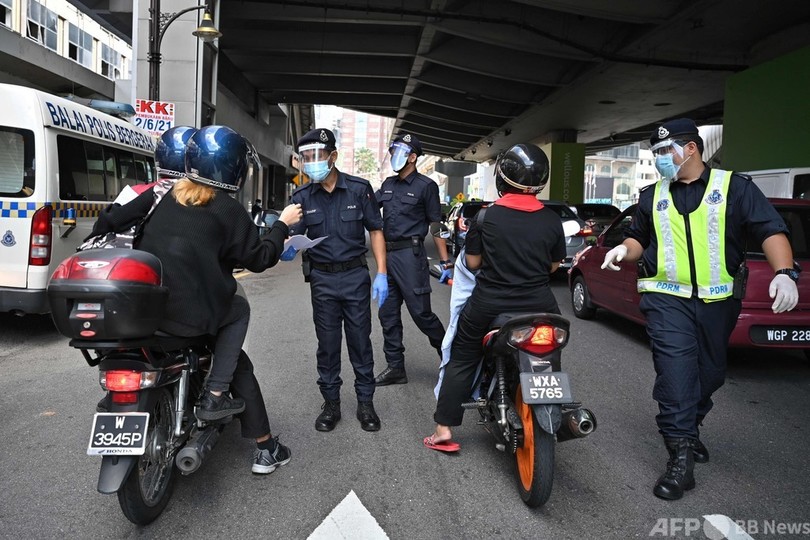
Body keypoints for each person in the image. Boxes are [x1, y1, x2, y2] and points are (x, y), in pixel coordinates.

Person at [601, 118, 799, 500]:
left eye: (664, 151)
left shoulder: (735, 188)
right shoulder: (651, 195)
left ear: (691, 148)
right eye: (656, 153)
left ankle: (689, 432)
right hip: (664, 300)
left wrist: (785, 272)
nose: (659, 159)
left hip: (717, 302)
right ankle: (680, 459)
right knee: (676, 375)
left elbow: (770, 229)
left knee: (709, 374)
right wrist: (623, 250)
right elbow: (639, 238)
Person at [88, 125, 303, 474]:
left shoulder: (162, 194)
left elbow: (110, 220)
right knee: (238, 312)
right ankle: (218, 397)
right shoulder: (228, 210)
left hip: (143, 312)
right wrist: (281, 224)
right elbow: (260, 259)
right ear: (236, 169)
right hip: (188, 320)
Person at [426, 143, 565, 452]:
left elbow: (472, 264)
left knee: (462, 357)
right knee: (550, 354)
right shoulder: (552, 220)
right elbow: (553, 266)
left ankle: (444, 429)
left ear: (502, 178)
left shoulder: (487, 218)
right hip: (542, 304)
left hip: (490, 303)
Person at [287, 128, 387, 433]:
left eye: (317, 156)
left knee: (360, 342)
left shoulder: (359, 189)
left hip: (355, 276)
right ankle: (331, 405)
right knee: (327, 345)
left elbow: (376, 230)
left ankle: (366, 403)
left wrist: (381, 272)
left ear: (333, 157)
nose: (311, 163)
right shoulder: (301, 196)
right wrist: (286, 245)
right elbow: (291, 235)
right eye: (306, 158)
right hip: (322, 279)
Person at [373, 133, 449, 386]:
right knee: (388, 315)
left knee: (421, 314)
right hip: (388, 256)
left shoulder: (426, 186)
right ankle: (395, 367)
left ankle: (451, 361)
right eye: (393, 151)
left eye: (400, 152)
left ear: (413, 157)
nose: (394, 156)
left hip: (411, 257)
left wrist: (445, 260)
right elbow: (367, 211)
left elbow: (436, 223)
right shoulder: (387, 185)